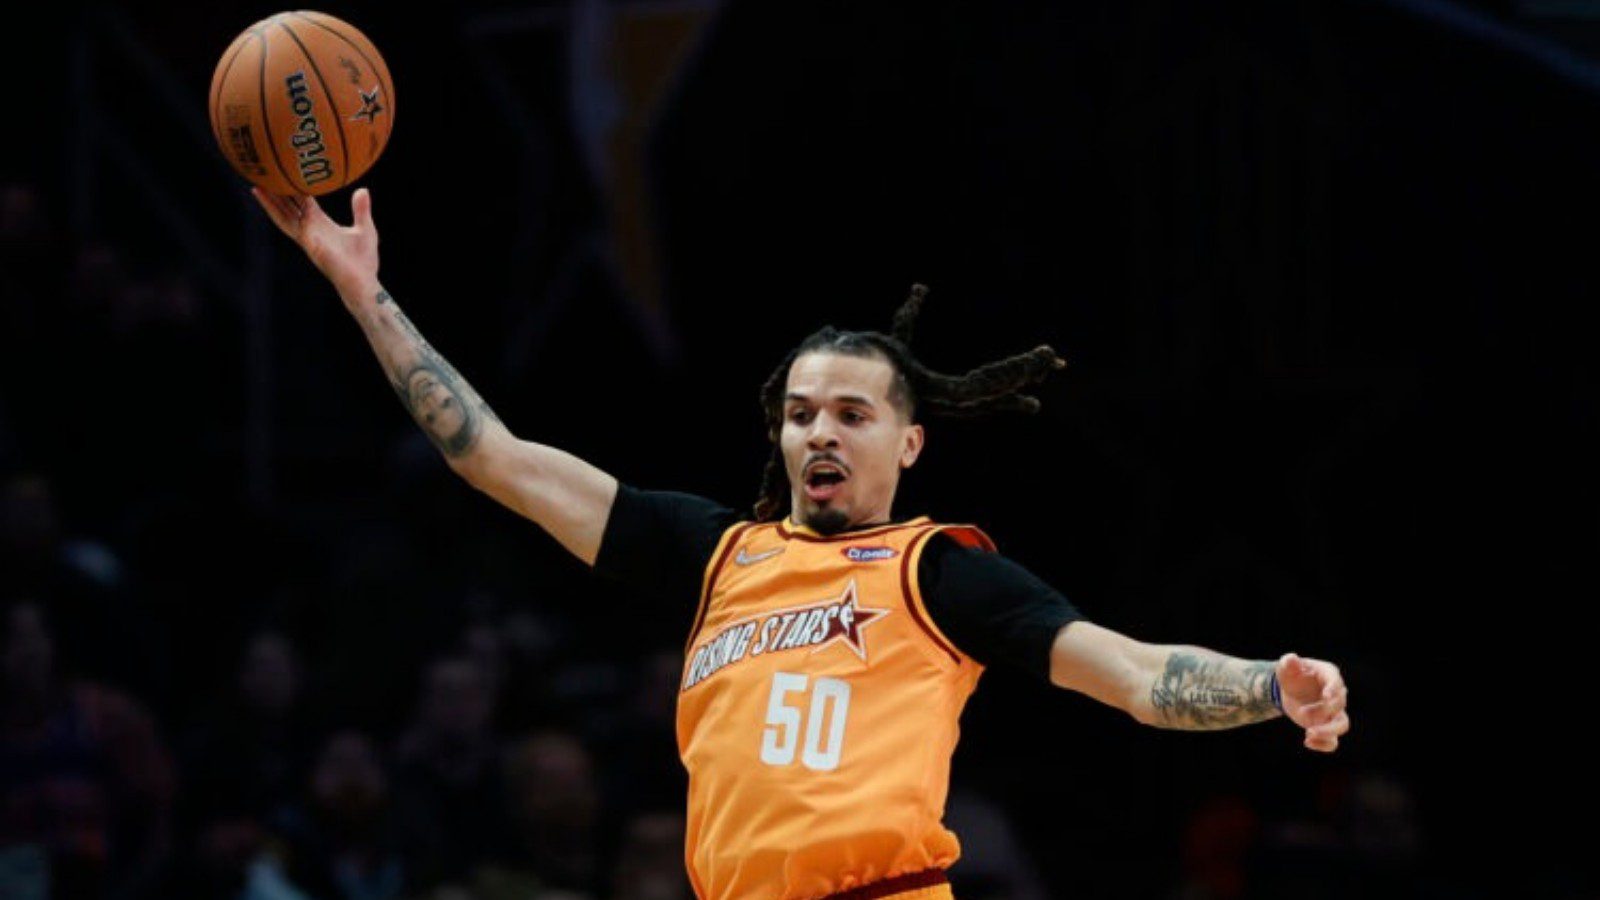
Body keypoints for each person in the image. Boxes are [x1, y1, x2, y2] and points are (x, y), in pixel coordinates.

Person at [251, 187, 1351, 900]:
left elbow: (1128, 672)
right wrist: (362, 292)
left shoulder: (937, 572)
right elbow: (491, 455)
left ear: (909, 444)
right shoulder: (715, 555)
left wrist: (1268, 686)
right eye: (800, 412)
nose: (818, 431)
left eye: (851, 414)